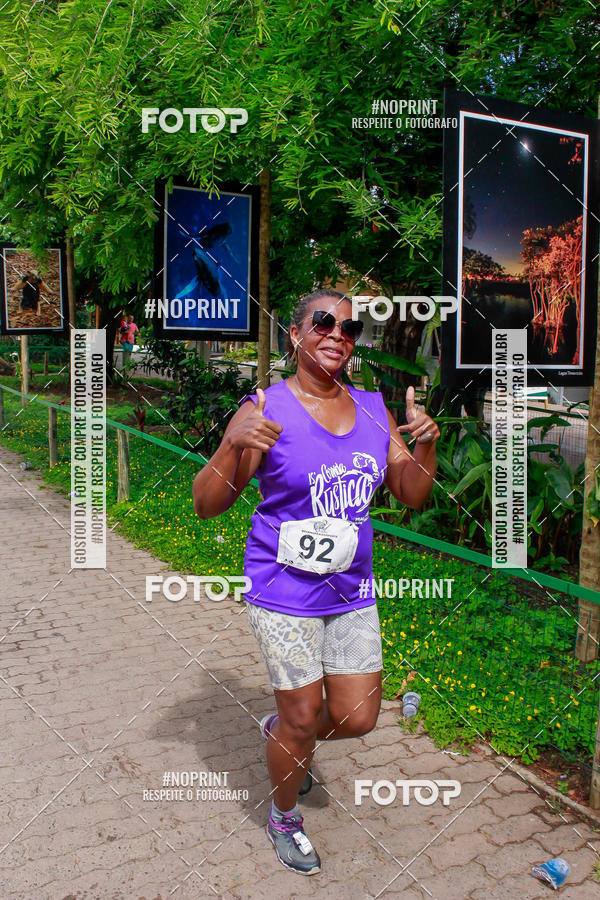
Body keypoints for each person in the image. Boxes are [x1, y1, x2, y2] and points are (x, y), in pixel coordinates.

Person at [192, 288, 440, 876]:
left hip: (350, 590)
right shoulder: (264, 408)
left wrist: (425, 445)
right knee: (307, 718)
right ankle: (283, 814)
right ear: (296, 335)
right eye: (324, 323)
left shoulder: (375, 409)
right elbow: (207, 504)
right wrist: (231, 444)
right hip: (282, 589)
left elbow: (411, 493)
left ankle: (284, 735)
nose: (337, 335)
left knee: (358, 718)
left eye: (349, 329)